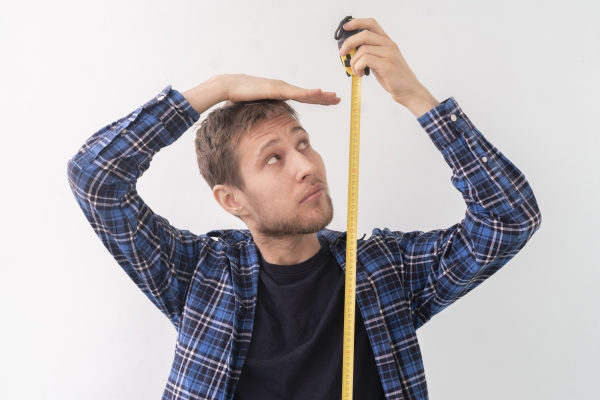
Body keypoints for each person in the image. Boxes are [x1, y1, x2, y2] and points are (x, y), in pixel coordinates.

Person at [67, 17, 541, 400]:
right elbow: (96, 177)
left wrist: (414, 96)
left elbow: (510, 218)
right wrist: (220, 86)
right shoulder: (198, 277)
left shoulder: (383, 272)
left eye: (303, 143)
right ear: (231, 199)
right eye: (274, 158)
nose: (307, 166)